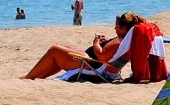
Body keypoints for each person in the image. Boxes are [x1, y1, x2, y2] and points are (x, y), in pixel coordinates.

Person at [23, 12, 162, 81]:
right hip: (92, 62)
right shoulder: (124, 40)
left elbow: (101, 55)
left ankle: (29, 77)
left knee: (54, 49)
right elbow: (109, 53)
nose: (114, 27)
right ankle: (36, 77)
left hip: (90, 65)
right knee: (62, 47)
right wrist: (105, 41)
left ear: (124, 28)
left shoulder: (120, 41)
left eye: (117, 26)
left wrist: (96, 42)